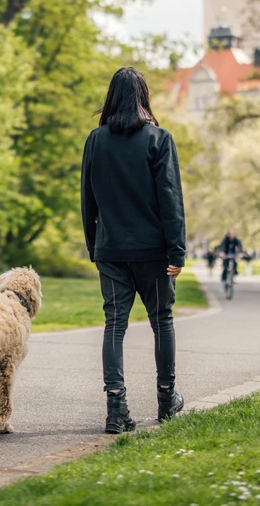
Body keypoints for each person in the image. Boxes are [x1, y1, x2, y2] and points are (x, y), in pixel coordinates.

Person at [81, 67, 186, 434]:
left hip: (111, 250)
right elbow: (170, 199)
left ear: (111, 97)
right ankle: (166, 399)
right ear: (143, 97)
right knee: (162, 321)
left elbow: (87, 200)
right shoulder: (159, 139)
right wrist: (177, 252)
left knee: (114, 325)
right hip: (153, 252)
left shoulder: (95, 140)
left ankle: (116, 408)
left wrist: (94, 247)